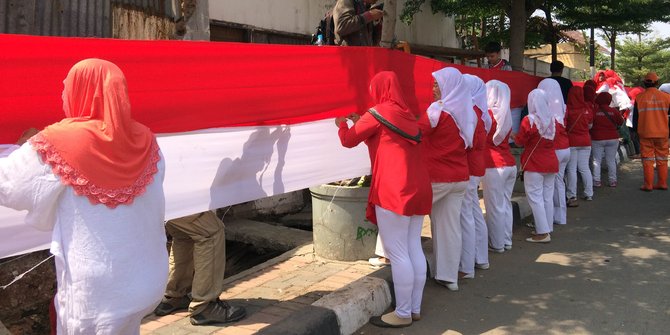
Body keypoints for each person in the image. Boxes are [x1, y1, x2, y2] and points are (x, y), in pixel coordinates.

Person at [0, 59, 168, 334]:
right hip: (145, 277)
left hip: (96, 291)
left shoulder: (58, 141)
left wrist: (25, 151)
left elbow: (8, 185)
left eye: (66, 87)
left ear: (82, 91)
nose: (63, 94)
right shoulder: (147, 140)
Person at [338, 71, 432, 328]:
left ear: (379, 90)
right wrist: (363, 120)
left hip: (394, 189)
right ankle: (413, 308)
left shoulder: (377, 113)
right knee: (413, 247)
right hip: (419, 187)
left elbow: (348, 140)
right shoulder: (407, 116)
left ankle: (402, 313)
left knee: (398, 252)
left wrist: (342, 124)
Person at [420, 67, 475, 291]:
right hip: (460, 176)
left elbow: (415, 131)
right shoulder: (466, 111)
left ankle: (395, 261)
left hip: (437, 176)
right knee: (450, 227)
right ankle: (449, 276)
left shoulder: (438, 111)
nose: (433, 89)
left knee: (407, 219)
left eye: (437, 85)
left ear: (448, 87)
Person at [153, 211, 246, 325]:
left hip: (165, 201)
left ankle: (174, 296)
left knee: (184, 235)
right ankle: (205, 307)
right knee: (210, 232)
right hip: (179, 198)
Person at [459, 74, 491, 277]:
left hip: (468, 166)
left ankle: (467, 265)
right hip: (477, 165)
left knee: (467, 216)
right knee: (475, 212)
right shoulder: (481, 111)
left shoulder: (469, 111)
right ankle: (481, 258)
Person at [515, 89, 558, 243]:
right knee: (547, 197)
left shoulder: (530, 120)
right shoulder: (553, 119)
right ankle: (547, 227)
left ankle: (543, 232)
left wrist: (513, 135)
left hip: (534, 162)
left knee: (535, 198)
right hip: (551, 161)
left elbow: (520, 141)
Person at [482, 80, 516, 252]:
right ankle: (506, 240)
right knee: (505, 204)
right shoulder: (506, 113)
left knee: (494, 207)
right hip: (509, 162)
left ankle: (496, 244)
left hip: (493, 164)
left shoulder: (486, 114)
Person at [538, 79, 570, 225]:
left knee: (548, 188)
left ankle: (548, 220)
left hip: (554, 150)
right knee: (559, 183)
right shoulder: (563, 107)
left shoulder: (543, 108)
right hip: (565, 148)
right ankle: (560, 217)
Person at [633, 72, 670, 191]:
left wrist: (635, 131)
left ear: (644, 83)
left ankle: (648, 185)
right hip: (662, 133)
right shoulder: (667, 97)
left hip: (645, 133)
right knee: (662, 158)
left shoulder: (639, 98)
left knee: (647, 159)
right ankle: (662, 183)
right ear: (657, 83)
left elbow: (635, 118)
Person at [565, 86, 594, 204]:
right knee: (584, 168)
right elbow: (590, 126)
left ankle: (572, 195)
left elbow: (564, 126)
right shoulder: (587, 109)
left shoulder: (567, 110)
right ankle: (589, 193)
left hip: (572, 142)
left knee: (571, 169)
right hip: (586, 141)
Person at [591, 92, 625, 188]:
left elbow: (590, 123)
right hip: (613, 138)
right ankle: (612, 181)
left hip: (597, 138)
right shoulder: (613, 111)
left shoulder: (594, 111)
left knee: (596, 160)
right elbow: (621, 122)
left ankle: (597, 181)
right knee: (611, 160)